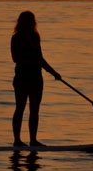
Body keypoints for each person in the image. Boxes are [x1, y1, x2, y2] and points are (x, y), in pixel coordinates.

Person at [11, 11, 60, 147]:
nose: (31, 23)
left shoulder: (35, 36)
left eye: (32, 20)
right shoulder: (16, 38)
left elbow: (40, 58)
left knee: (34, 110)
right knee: (20, 108)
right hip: (22, 78)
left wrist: (53, 72)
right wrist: (32, 62)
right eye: (28, 21)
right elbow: (16, 58)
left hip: (36, 79)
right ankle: (17, 140)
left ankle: (33, 140)